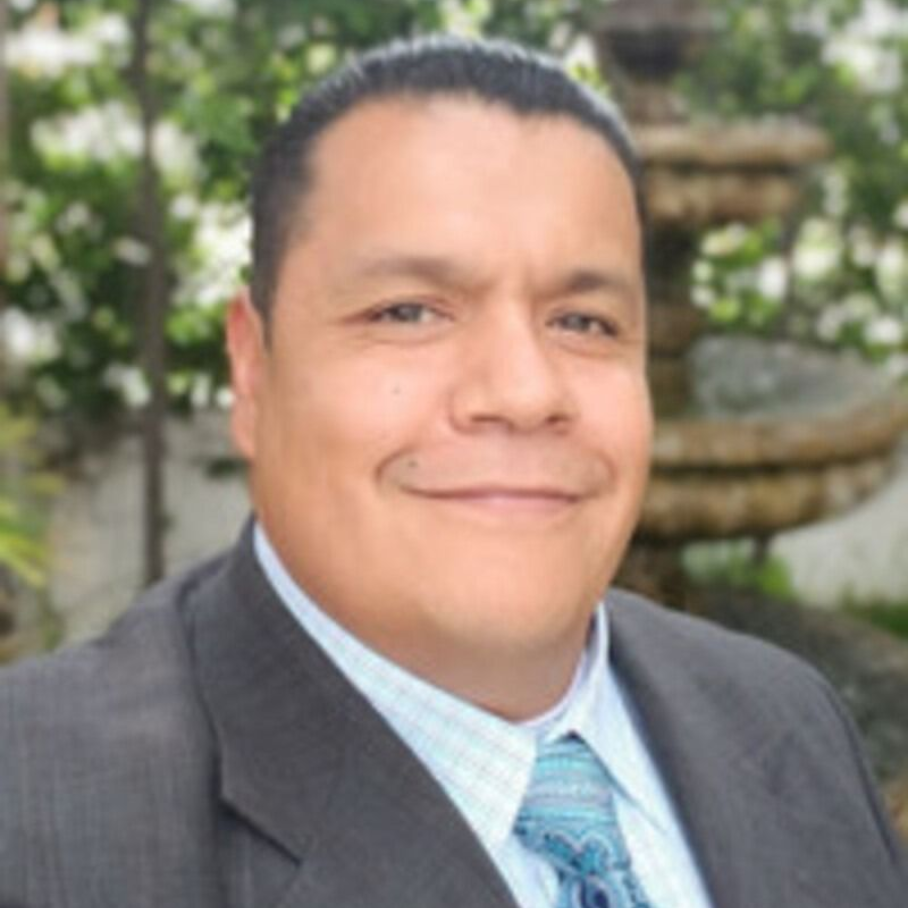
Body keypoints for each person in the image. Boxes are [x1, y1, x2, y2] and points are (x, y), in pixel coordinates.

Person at [0, 36, 905, 908]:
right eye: (408, 311)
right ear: (253, 366)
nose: (522, 390)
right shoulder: (41, 822)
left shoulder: (785, 715)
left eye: (584, 322)